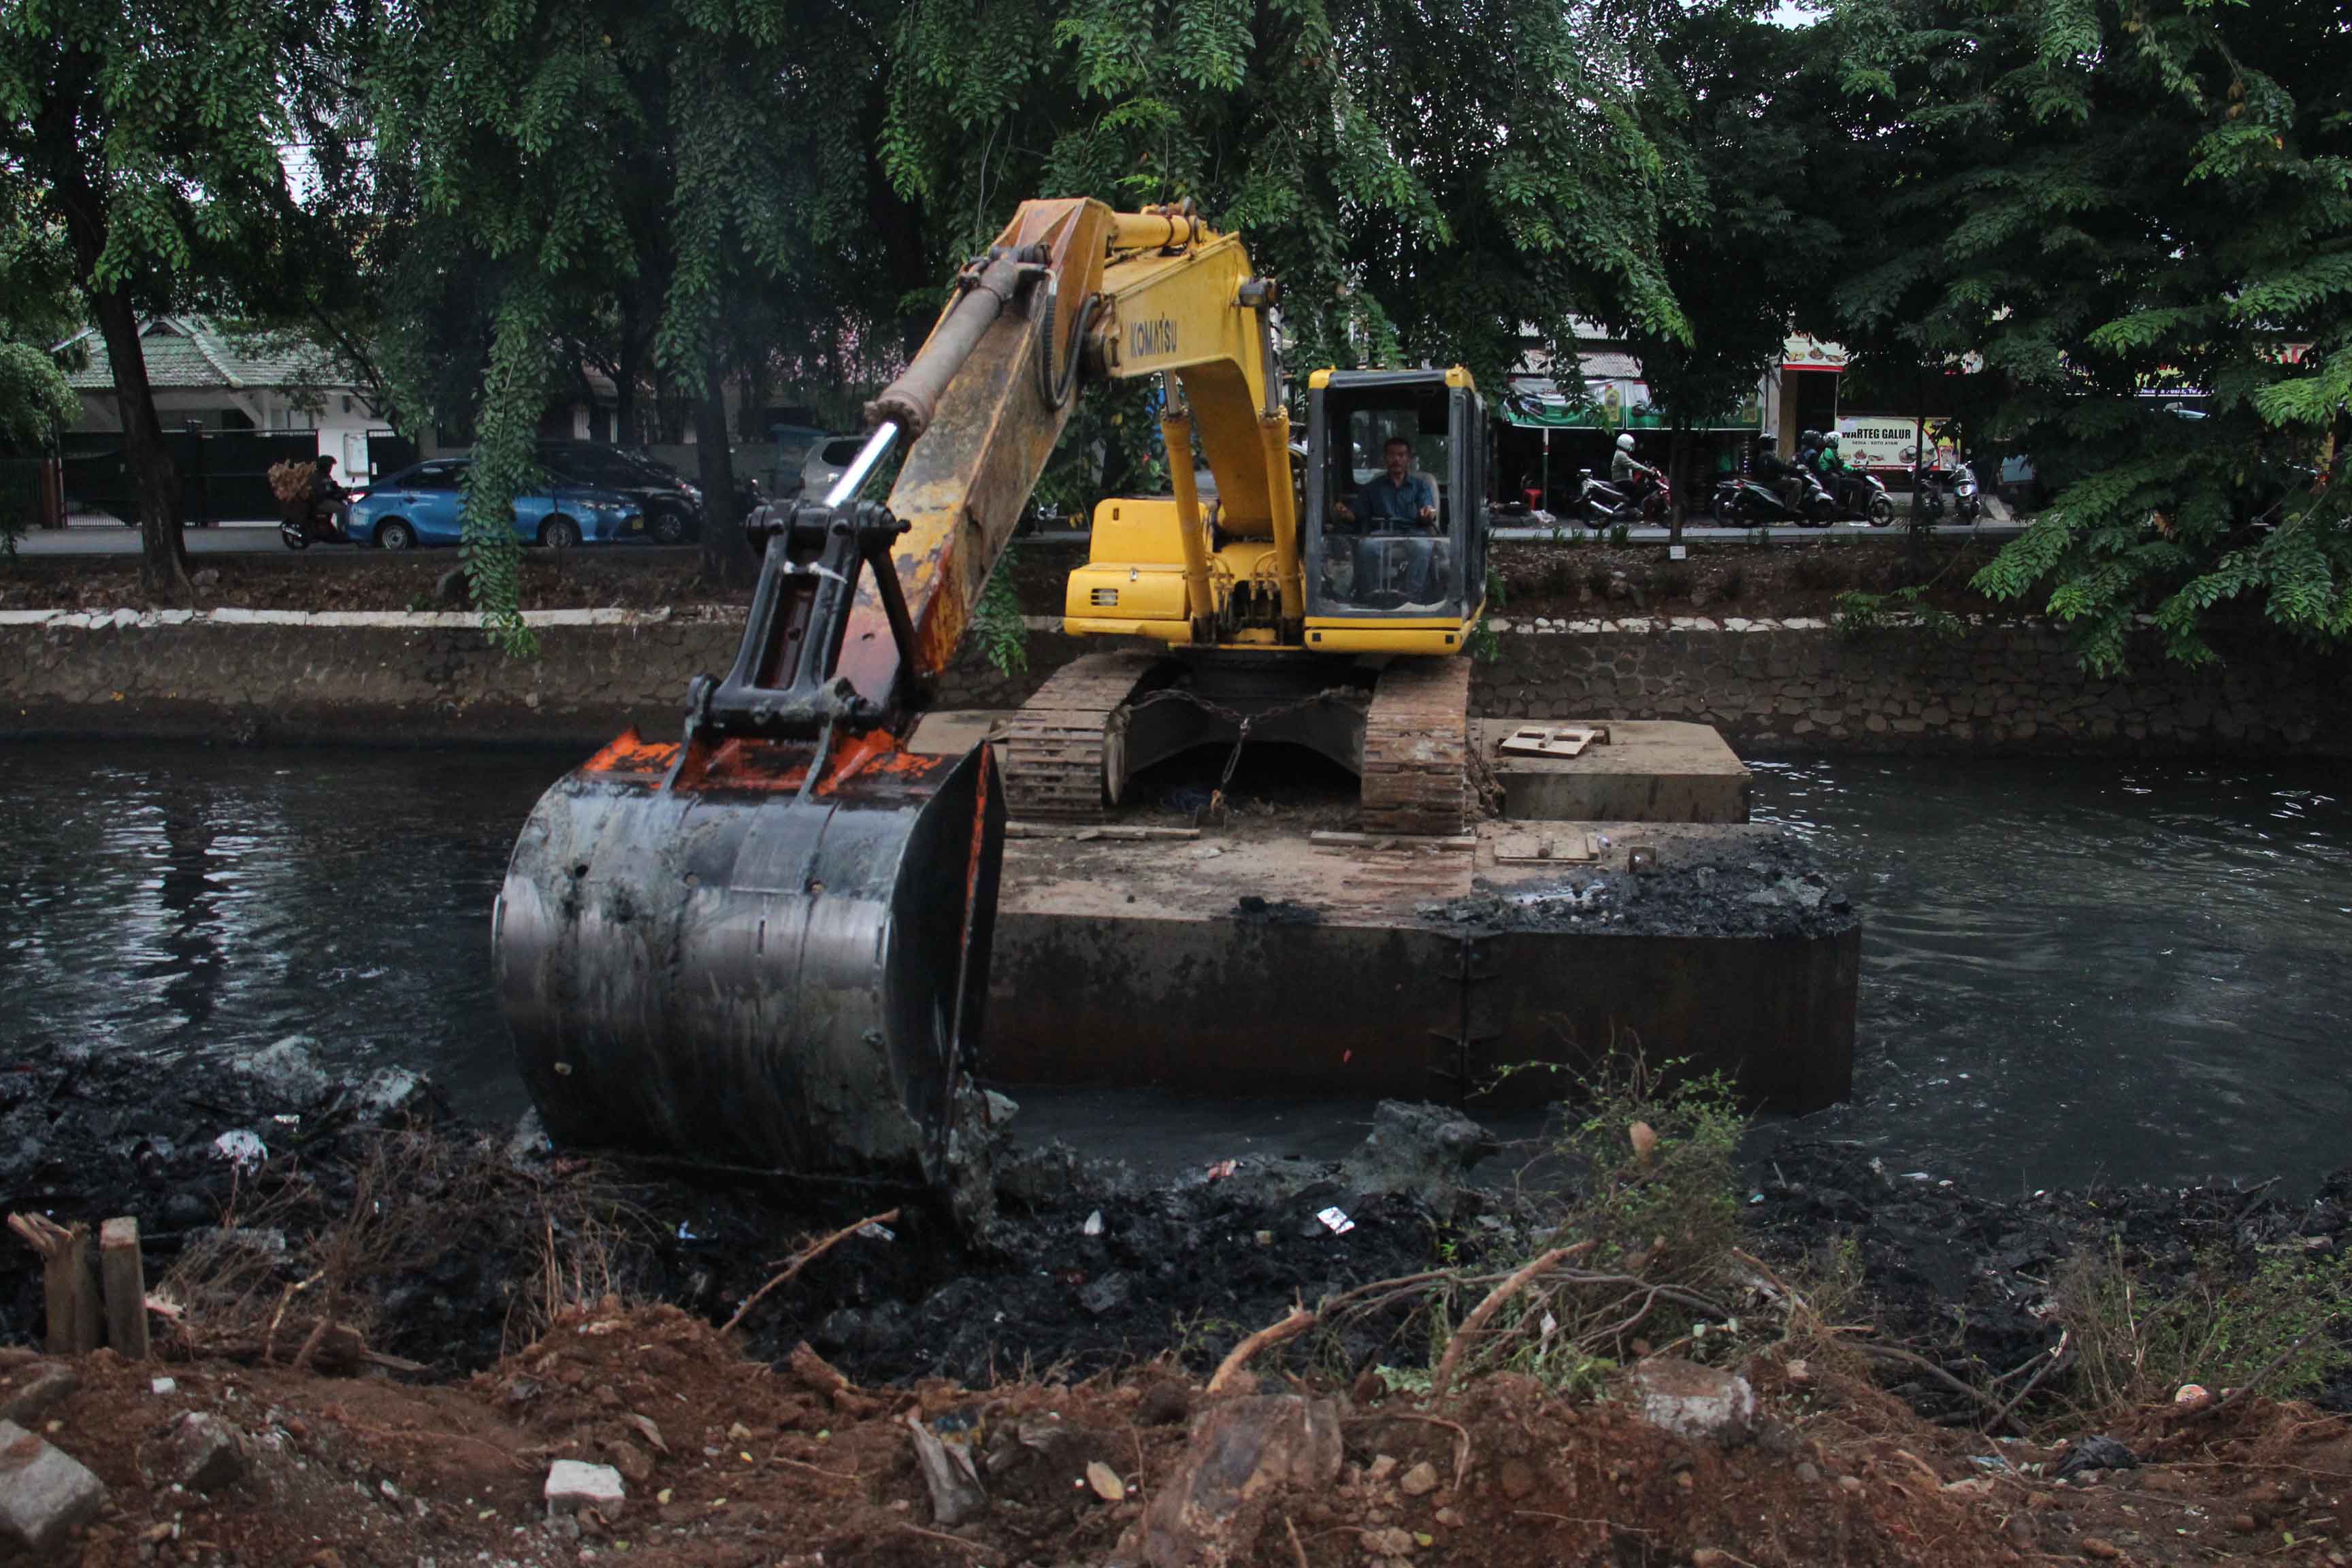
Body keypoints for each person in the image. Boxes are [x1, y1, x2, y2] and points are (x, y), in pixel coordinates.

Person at [1333, 436, 1438, 529]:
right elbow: (1356, 515)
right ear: (1385, 458)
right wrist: (1344, 513)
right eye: (1391, 455)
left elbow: (1428, 513)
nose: (1396, 459)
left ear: (1408, 459)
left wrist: (1428, 514)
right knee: (1368, 546)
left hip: (1415, 534)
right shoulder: (1372, 488)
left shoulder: (1421, 486)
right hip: (1382, 535)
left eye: (1401, 455)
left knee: (1423, 547)